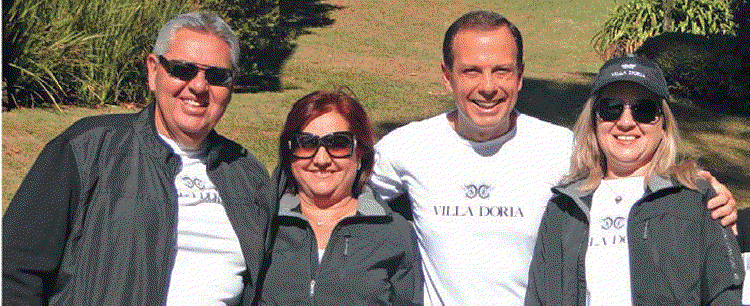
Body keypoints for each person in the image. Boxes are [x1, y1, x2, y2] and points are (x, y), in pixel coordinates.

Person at [369, 10, 739, 305]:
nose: (487, 87)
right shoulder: (408, 147)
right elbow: (337, 191)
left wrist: (706, 192)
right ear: (447, 77)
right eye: (471, 72)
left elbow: (632, 164)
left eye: (501, 71)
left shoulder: (562, 149)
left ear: (520, 77)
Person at [2, 12, 275, 305]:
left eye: (217, 76)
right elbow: (14, 273)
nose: (199, 86)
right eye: (183, 70)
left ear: (232, 86)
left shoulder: (249, 176)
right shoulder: (87, 150)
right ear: (153, 71)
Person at [525, 54, 744, 305]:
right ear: (594, 121)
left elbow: (725, 293)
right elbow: (539, 297)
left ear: (663, 125)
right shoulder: (564, 208)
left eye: (644, 110)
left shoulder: (697, 199)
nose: (626, 122)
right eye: (611, 108)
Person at [259, 90, 422, 305]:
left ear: (360, 154)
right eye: (306, 143)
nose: (322, 159)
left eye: (338, 143)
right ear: (290, 154)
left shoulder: (394, 233)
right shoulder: (262, 225)